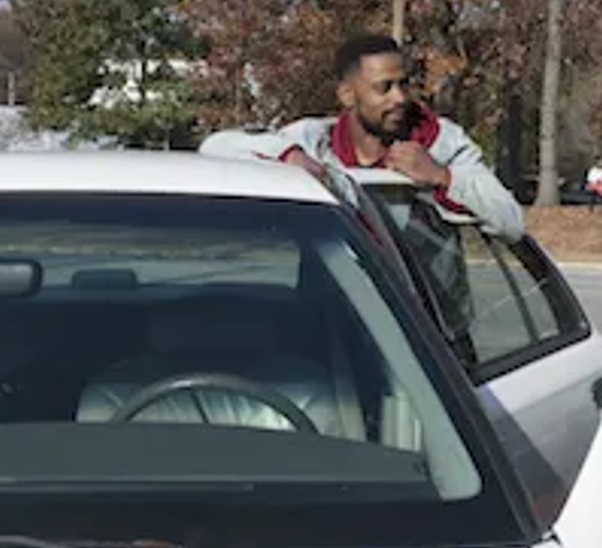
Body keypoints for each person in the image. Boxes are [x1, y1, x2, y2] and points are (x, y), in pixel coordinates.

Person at [199, 35, 523, 365]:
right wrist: (292, 158)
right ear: (347, 95)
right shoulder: (314, 142)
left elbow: (510, 220)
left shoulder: (442, 143)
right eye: (384, 88)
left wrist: (441, 177)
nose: (399, 98)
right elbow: (215, 149)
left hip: (434, 343)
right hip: (336, 341)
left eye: (403, 84)